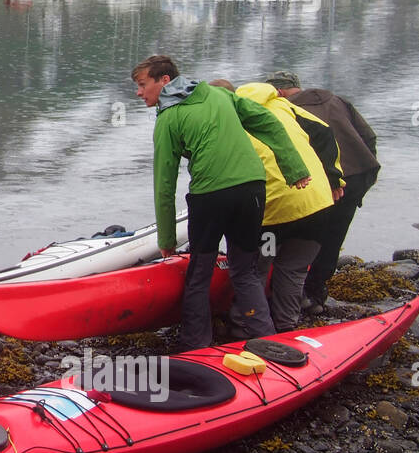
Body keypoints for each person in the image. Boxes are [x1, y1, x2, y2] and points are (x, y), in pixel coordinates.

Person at [133, 56, 310, 351]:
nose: (139, 93)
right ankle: (267, 340)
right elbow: (268, 122)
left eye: (142, 85)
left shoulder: (168, 119)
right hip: (253, 188)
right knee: (244, 270)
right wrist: (295, 169)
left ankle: (197, 346)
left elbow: (163, 185)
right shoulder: (219, 93)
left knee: (198, 275)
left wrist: (166, 240)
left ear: (164, 81)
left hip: (210, 195)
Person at [265, 70, 380, 312]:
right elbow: (368, 137)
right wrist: (364, 177)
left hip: (319, 182)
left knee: (297, 239)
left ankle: (283, 295)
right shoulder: (337, 100)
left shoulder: (282, 109)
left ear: (278, 91)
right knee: (332, 239)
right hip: (357, 174)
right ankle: (315, 295)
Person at [232, 81, 341, 332]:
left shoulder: (232, 114)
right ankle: (286, 327)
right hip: (317, 203)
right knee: (293, 269)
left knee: (256, 269)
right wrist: (335, 178)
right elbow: (325, 132)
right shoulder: (284, 106)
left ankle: (246, 327)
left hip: (274, 210)